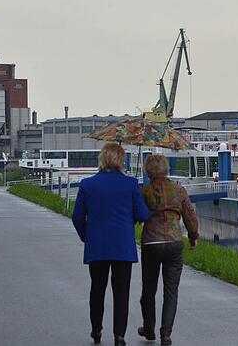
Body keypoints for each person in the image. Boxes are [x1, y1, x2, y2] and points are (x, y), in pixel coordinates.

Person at [72, 143, 151, 346]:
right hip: (122, 247)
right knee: (121, 293)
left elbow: (77, 217)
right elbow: (142, 215)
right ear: (121, 160)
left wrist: (86, 236)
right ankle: (119, 336)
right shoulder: (131, 184)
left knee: (97, 290)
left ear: (102, 158)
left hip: (97, 245)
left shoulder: (87, 184)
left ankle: (96, 330)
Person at [137, 154, 199, 346]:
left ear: (148, 172)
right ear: (166, 169)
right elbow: (189, 215)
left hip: (151, 243)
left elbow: (137, 214)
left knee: (149, 289)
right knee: (171, 290)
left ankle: (149, 328)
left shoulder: (144, 191)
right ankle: (166, 333)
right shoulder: (179, 190)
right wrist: (193, 236)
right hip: (174, 243)